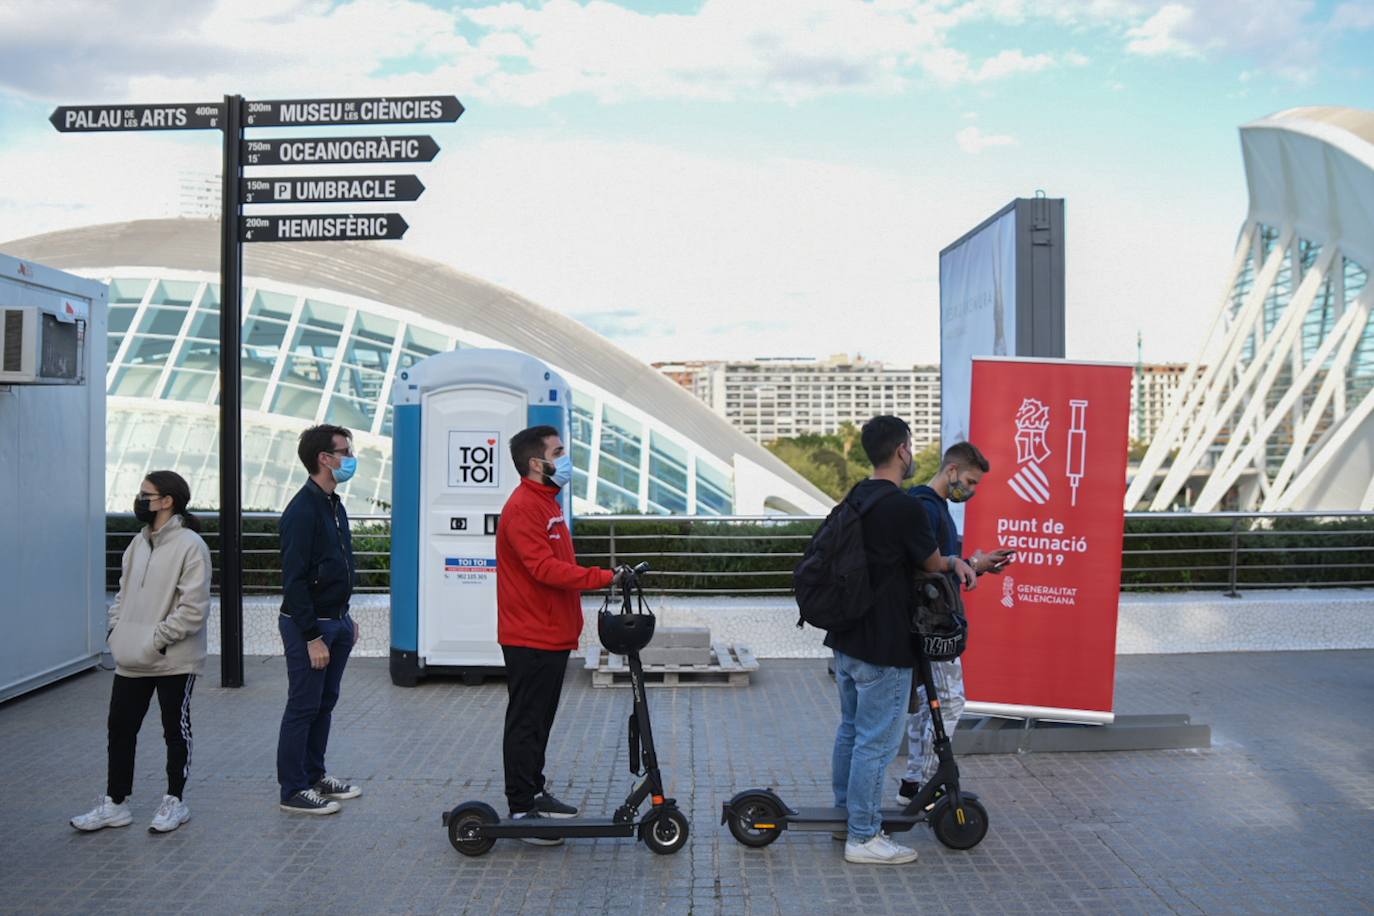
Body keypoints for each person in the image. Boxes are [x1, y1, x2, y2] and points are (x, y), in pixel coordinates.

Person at [825, 417, 976, 865]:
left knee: (851, 732)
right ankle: (864, 836)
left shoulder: (857, 496)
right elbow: (930, 562)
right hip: (884, 643)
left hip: (847, 637)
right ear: (903, 452)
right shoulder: (905, 507)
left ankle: (844, 820)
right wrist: (958, 562)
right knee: (876, 742)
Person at [495, 425, 620, 845]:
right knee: (526, 722)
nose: (565, 458)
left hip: (550, 633)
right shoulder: (523, 508)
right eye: (559, 451)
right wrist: (604, 577)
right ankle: (520, 809)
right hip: (529, 635)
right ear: (537, 463)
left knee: (540, 721)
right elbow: (544, 569)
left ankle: (533, 792)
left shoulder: (547, 503)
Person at [71, 471, 210, 834]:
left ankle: (174, 801)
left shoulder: (191, 545)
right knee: (120, 728)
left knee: (174, 730)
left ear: (168, 501)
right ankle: (115, 803)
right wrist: (118, 631)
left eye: (146, 495)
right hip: (131, 657)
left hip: (172, 659)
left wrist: (155, 638)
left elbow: (194, 609)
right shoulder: (137, 543)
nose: (139, 500)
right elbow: (122, 594)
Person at [897, 441, 1013, 807]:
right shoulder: (926, 508)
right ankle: (929, 783)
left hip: (929, 623)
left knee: (926, 702)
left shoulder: (933, 508)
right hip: (931, 624)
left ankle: (914, 784)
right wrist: (961, 565)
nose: (972, 490)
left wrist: (975, 563)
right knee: (948, 701)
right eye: (970, 481)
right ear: (950, 471)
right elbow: (925, 566)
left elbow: (941, 562)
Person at [276, 424, 362, 815]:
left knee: (324, 704)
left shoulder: (333, 504)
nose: (351, 457)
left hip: (336, 622)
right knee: (303, 706)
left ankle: (315, 775)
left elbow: (334, 565)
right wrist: (312, 636)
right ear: (323, 459)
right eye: (344, 451)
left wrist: (345, 617)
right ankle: (293, 789)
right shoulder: (302, 510)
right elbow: (293, 581)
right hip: (310, 627)